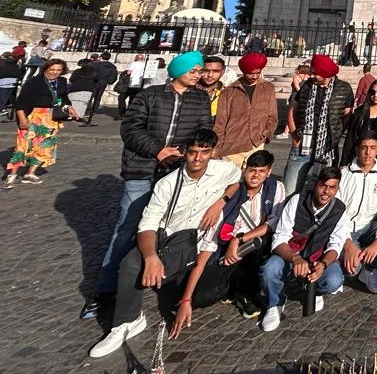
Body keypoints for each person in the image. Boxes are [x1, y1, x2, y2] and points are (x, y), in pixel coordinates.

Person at [80, 50, 215, 320]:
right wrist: (158, 151)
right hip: (141, 168)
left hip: (175, 170)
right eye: (194, 70)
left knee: (168, 225)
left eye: (199, 71)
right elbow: (130, 128)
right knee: (127, 226)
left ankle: (157, 272)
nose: (198, 75)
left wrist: (182, 152)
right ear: (178, 71)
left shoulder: (200, 98)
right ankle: (105, 289)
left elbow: (202, 130)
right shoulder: (149, 95)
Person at [88, 128, 239, 357]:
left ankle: (174, 287)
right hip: (167, 238)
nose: (198, 158)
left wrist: (221, 201)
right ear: (184, 152)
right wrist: (150, 257)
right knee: (131, 264)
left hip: (196, 244)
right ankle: (127, 322)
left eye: (204, 152)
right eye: (192, 152)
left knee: (202, 296)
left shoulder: (223, 169)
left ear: (213, 152)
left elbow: (236, 179)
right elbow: (147, 225)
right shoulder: (167, 184)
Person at [170, 150, 284, 334]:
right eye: (252, 170)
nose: (256, 176)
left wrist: (239, 239)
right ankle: (229, 287)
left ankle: (246, 292)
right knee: (202, 297)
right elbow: (207, 248)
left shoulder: (275, 187)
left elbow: (273, 222)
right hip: (223, 251)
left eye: (262, 171)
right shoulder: (231, 197)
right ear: (244, 169)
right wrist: (186, 298)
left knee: (259, 245)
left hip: (251, 247)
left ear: (269, 172)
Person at [260, 166, 347, 333]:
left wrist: (323, 264)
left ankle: (315, 291)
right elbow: (279, 239)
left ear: (337, 189)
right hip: (291, 254)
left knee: (334, 280)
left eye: (332, 187)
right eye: (323, 186)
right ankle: (275, 303)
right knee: (270, 269)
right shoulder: (297, 200)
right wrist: (295, 258)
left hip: (317, 258)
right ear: (315, 184)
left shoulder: (339, 210)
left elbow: (336, 245)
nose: (326, 192)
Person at [337, 132, 377, 294]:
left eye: (372, 148)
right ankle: (357, 265)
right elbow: (336, 213)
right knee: (352, 269)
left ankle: (370, 267)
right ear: (357, 150)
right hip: (345, 232)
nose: (368, 152)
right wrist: (348, 244)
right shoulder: (343, 175)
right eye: (364, 148)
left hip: (368, 229)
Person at [283, 54, 354, 195]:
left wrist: (337, 133)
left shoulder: (344, 88)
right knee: (289, 191)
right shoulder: (307, 86)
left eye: (315, 73)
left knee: (322, 191)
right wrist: (294, 135)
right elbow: (292, 110)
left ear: (325, 73)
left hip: (327, 148)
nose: (312, 75)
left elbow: (347, 115)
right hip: (302, 145)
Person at [3, 58, 80, 187]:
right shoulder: (34, 82)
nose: (55, 72)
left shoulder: (61, 81)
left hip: (50, 118)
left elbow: (63, 97)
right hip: (32, 115)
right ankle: (12, 175)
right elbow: (21, 101)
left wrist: (69, 108)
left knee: (45, 146)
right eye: (52, 69)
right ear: (45, 69)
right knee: (23, 146)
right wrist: (22, 118)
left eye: (58, 70)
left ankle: (30, 173)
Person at [213, 52, 278, 168]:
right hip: (232, 145)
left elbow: (272, 116)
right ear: (243, 72)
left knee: (254, 176)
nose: (254, 76)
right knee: (230, 177)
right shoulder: (229, 91)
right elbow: (220, 122)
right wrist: (217, 147)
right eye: (250, 73)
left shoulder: (268, 88)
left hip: (257, 143)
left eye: (258, 73)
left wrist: (266, 134)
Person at [340, 78, 377, 165]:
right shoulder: (360, 112)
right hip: (359, 156)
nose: (375, 95)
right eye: (372, 92)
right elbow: (350, 137)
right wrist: (344, 162)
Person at [67, 59, 98, 125]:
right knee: (83, 105)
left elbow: (71, 79)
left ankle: (75, 117)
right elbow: (96, 80)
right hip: (88, 89)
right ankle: (79, 118)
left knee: (75, 104)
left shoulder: (77, 71)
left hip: (76, 88)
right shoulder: (94, 72)